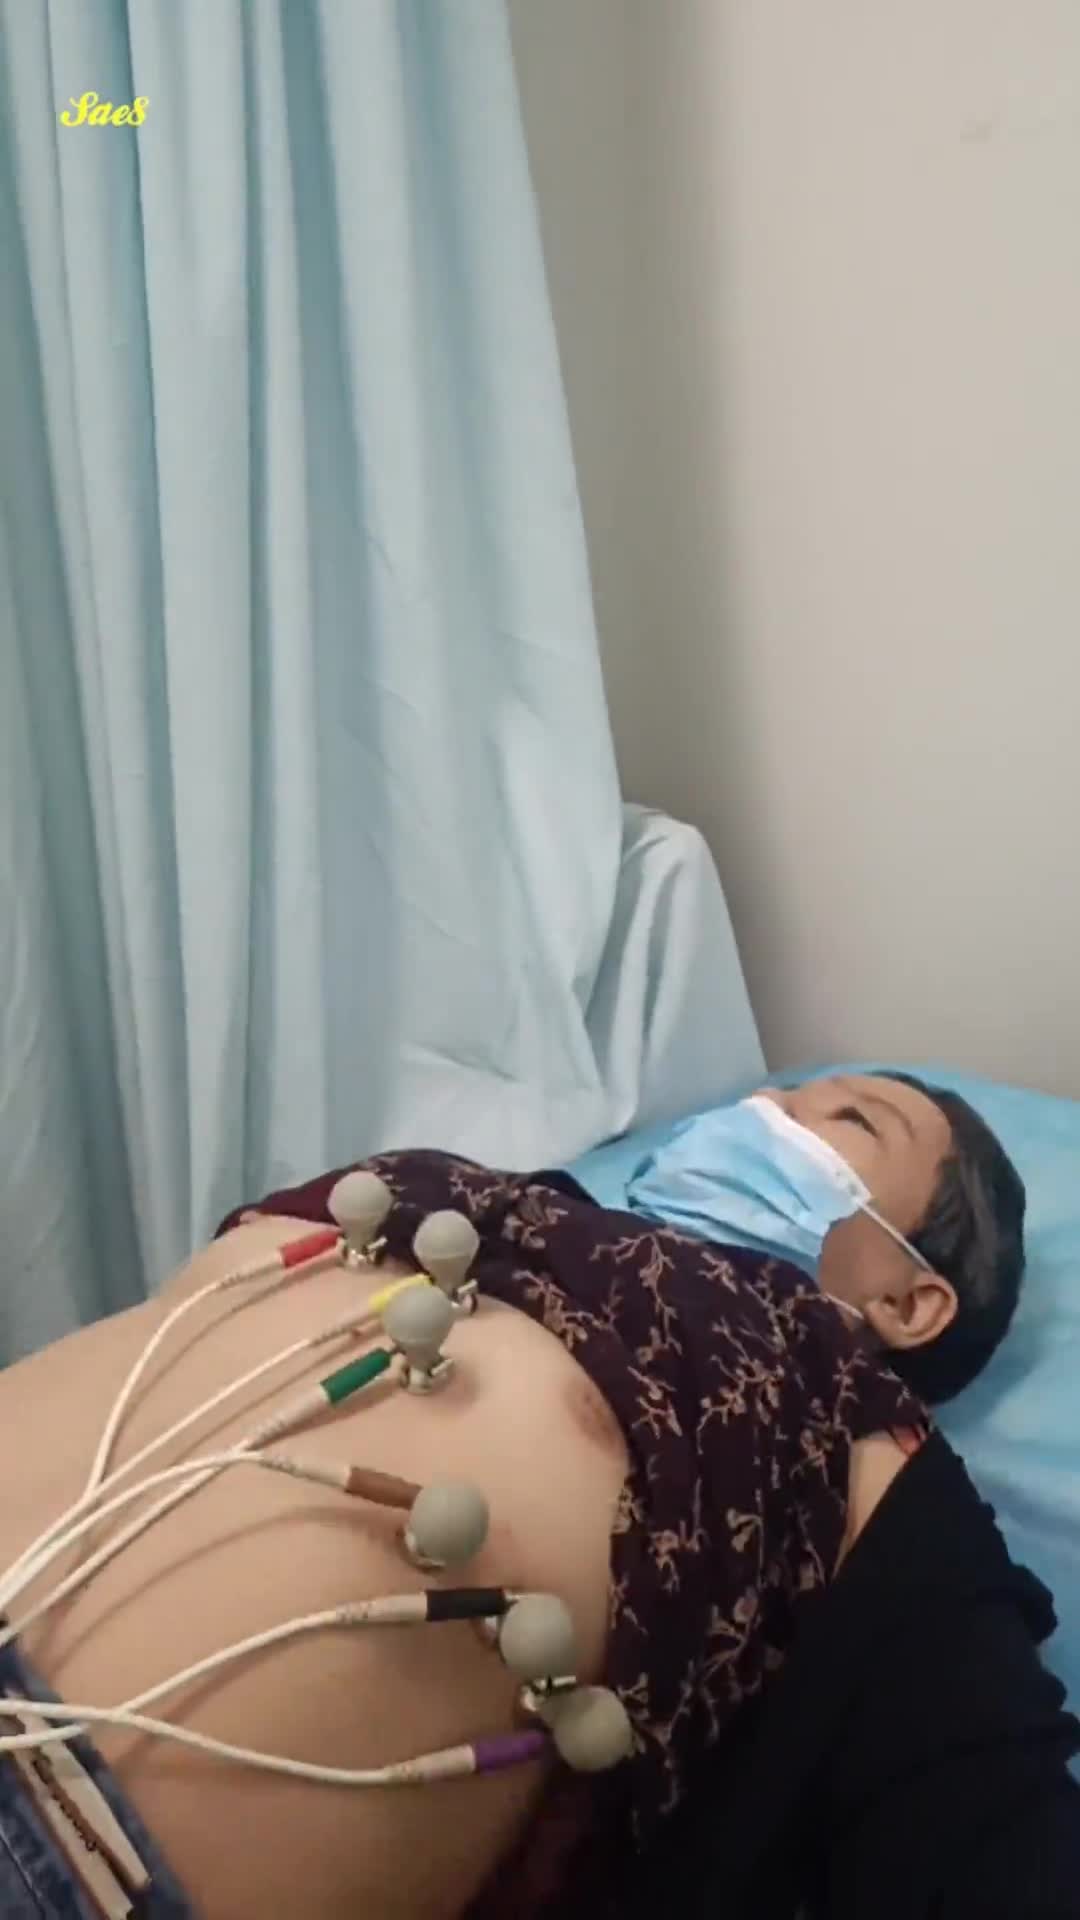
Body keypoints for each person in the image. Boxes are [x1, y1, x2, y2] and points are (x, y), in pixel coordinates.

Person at [0, 1080, 1071, 1920]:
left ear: (910, 1301)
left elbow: (999, 1846)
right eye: (776, 1095)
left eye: (847, 1119)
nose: (759, 1110)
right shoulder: (497, 1199)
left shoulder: (850, 1440)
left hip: (65, 1840)